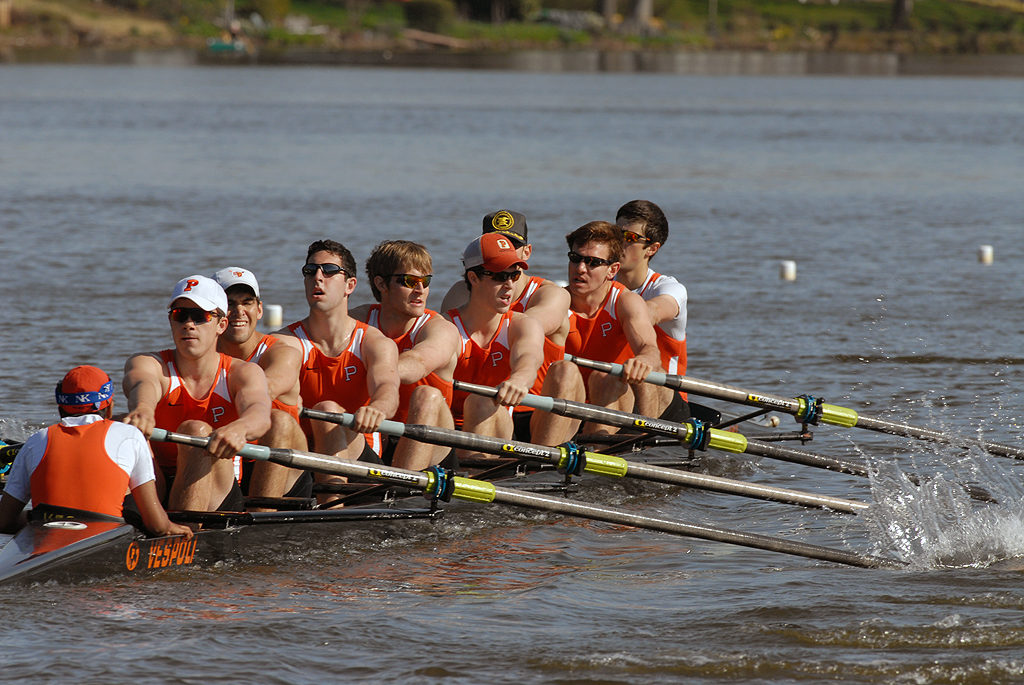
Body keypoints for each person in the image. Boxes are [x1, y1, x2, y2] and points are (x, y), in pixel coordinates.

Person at [123, 275, 272, 512]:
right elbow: (143, 384)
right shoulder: (149, 363)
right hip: (158, 481)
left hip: (218, 487)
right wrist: (143, 409)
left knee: (197, 431)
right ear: (171, 321)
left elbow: (260, 414)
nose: (189, 324)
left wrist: (239, 428)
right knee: (116, 426)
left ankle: (180, 539)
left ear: (221, 325)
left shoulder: (242, 372)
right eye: (180, 315)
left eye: (200, 316)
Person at [440, 210, 583, 445]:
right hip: (479, 408)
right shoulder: (458, 293)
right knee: (478, 399)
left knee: (566, 371)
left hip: (534, 409)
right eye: (495, 243)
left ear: (527, 251)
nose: (503, 247)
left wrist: (519, 378)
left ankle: (545, 461)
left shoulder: (548, 295)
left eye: (511, 244)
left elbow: (528, 337)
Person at [0, 365, 192, 538]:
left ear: (60, 408)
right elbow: (156, 525)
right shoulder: (130, 435)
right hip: (105, 536)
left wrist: (38, 519)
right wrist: (173, 528)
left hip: (47, 532)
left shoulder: (36, 441)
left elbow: (4, 522)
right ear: (109, 409)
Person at [275, 240, 400, 503]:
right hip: (302, 457)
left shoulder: (374, 342)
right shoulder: (285, 342)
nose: (318, 277)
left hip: (361, 463)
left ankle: (330, 510)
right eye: (310, 271)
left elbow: (387, 389)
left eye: (329, 270)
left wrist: (377, 408)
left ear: (350, 285)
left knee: (328, 411)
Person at [351, 241, 459, 471]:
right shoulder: (357, 321)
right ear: (381, 283)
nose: (420, 290)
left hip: (430, 442)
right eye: (409, 281)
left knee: (427, 394)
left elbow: (417, 364)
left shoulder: (439, 328)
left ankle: (404, 487)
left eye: (425, 281)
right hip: (374, 432)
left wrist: (368, 370)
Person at [211, 267, 309, 502]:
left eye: (247, 302)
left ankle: (261, 518)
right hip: (224, 463)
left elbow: (264, 390)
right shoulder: (201, 354)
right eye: (230, 303)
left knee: (279, 421)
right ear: (215, 313)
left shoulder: (282, 353)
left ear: (259, 309)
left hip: (280, 468)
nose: (239, 312)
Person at [446, 233, 545, 460]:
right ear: (473, 278)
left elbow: (529, 359)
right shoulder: (445, 327)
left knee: (481, 400)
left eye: (515, 275)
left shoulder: (522, 325)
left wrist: (519, 380)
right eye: (500, 276)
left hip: (497, 426)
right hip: (447, 432)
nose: (510, 285)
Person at [563, 221, 669, 432]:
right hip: (576, 402)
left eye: (592, 262)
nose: (581, 269)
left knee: (609, 378)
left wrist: (643, 360)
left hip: (627, 399)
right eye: (575, 259)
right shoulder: (556, 300)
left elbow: (650, 349)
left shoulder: (625, 301)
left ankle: (646, 439)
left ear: (612, 270)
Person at [614, 200, 690, 421]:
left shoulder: (669, 288)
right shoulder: (597, 282)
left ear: (652, 248)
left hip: (668, 406)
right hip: (618, 388)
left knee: (646, 365)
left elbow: (653, 311)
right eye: (615, 234)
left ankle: (644, 438)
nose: (618, 243)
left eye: (628, 238)